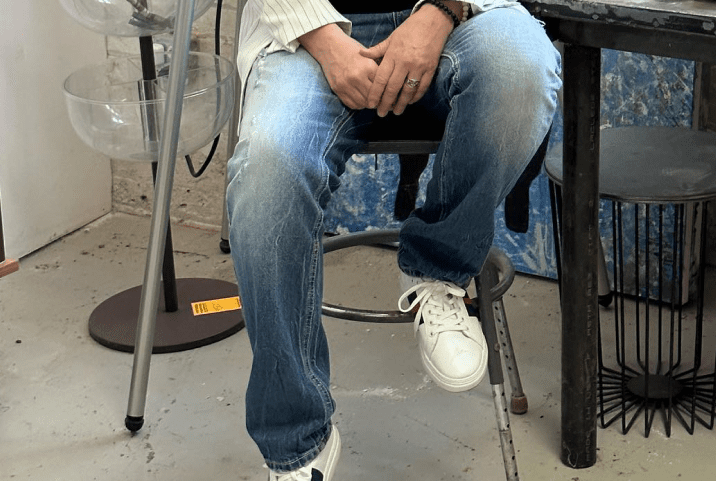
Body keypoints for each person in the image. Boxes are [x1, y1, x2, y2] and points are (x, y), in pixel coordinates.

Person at [225, 1, 561, 479]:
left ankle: (439, 269)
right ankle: (296, 444)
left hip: (460, 19)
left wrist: (442, 9)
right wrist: (323, 38)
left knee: (520, 67)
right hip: (307, 29)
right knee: (267, 174)